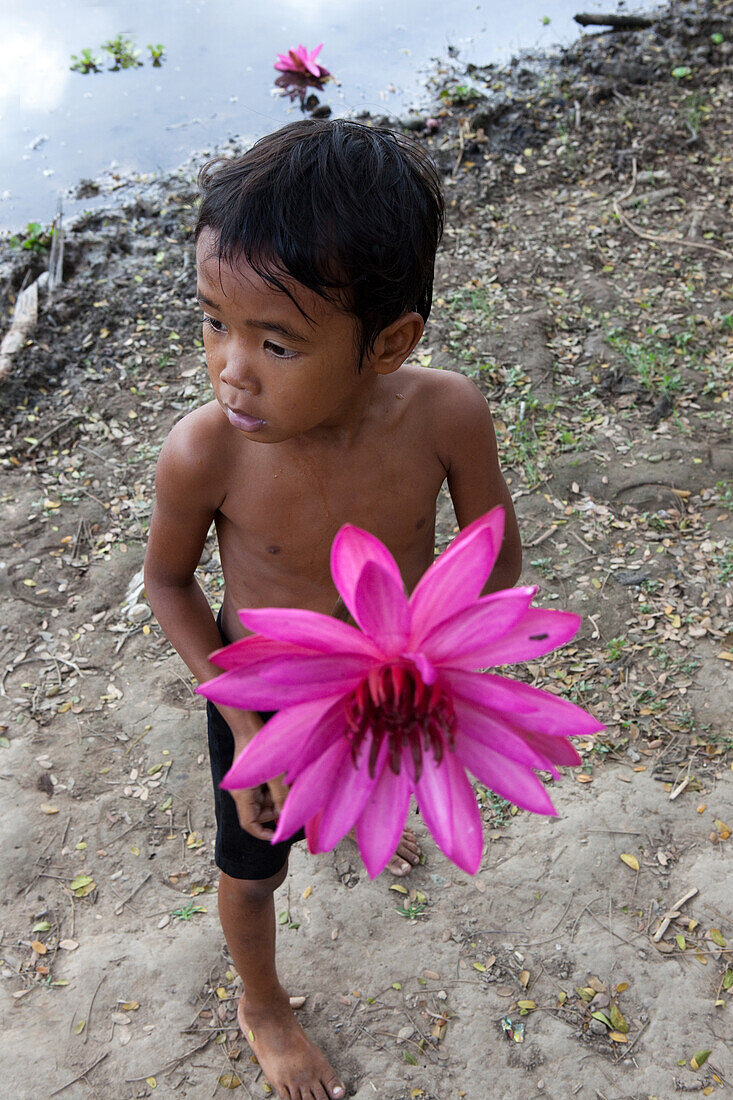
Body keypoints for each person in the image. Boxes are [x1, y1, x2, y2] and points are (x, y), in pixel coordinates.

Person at [144, 118, 521, 1100]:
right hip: (259, 701)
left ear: (389, 343)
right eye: (213, 322)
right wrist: (234, 716)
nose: (231, 366)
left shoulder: (448, 415)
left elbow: (495, 560)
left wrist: (462, 671)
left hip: (397, 685)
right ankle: (262, 1003)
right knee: (252, 864)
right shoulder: (207, 451)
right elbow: (170, 583)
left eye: (275, 341)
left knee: (363, 802)